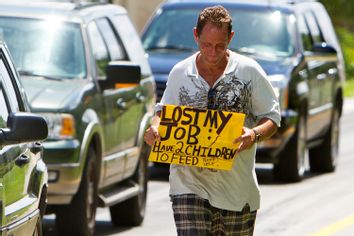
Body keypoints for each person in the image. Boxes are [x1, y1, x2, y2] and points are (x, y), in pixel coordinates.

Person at [144, 5, 281, 236]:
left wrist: (254, 134)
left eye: (220, 45)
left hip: (236, 189)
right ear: (196, 35)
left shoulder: (249, 72)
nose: (212, 52)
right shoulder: (180, 73)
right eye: (206, 44)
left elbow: (272, 117)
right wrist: (154, 130)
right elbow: (164, 113)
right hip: (188, 184)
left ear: (231, 38)